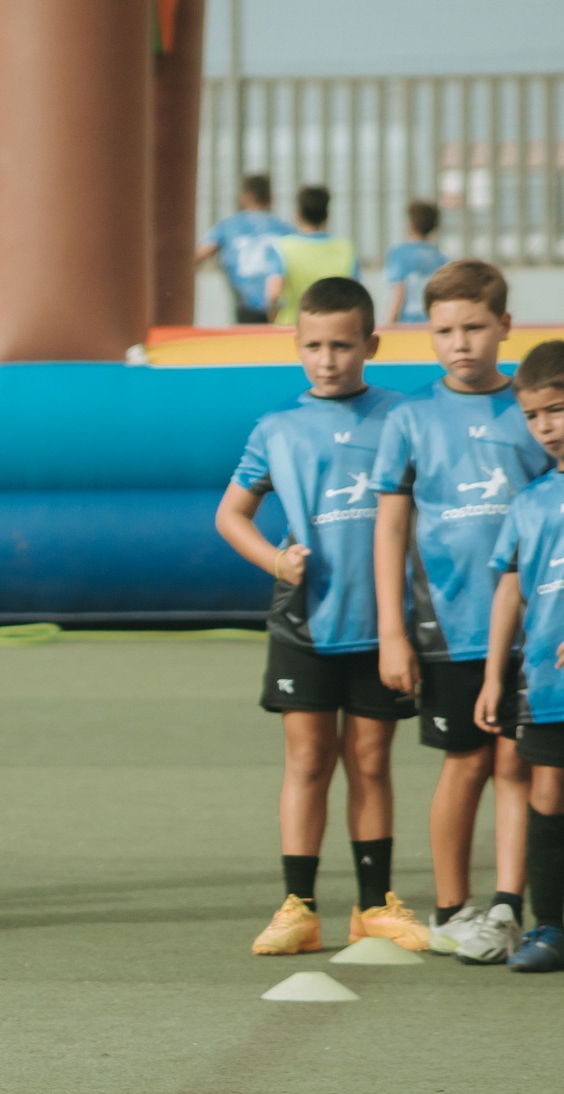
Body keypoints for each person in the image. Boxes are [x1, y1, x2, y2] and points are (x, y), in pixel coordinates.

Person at [213, 277, 414, 956]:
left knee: (371, 761)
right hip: (305, 621)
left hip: (382, 622)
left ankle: (374, 903)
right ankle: (298, 906)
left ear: (371, 344)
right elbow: (230, 516)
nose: (327, 359)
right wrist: (275, 561)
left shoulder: (401, 418)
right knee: (306, 761)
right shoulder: (277, 429)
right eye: (314, 345)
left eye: (342, 345)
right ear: (296, 345)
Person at [373, 259, 548, 960]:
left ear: (505, 326)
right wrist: (392, 631)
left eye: (475, 326)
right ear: (428, 333)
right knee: (466, 763)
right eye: (445, 330)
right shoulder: (410, 418)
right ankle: (451, 907)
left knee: (517, 764)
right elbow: (388, 530)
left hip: (531, 630)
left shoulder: (531, 412)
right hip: (445, 629)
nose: (461, 342)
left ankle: (508, 905)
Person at [477, 341, 564, 970]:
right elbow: (510, 584)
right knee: (548, 792)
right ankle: (551, 926)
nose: (546, 428)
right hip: (545, 684)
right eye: (534, 417)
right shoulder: (530, 501)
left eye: (557, 411)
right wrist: (492, 673)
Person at [197, 172, 290, 325]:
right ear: (271, 199)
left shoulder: (228, 226)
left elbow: (201, 254)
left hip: (246, 305)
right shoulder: (285, 229)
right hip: (280, 307)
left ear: (243, 198)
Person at [265, 185, 359, 325]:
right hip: (334, 328)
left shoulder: (283, 247)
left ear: (298, 214)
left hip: (292, 327)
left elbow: (274, 293)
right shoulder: (346, 248)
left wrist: (272, 316)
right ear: (327, 215)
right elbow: (356, 294)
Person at [385, 200, 447, 326]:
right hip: (431, 323)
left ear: (410, 224)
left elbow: (399, 291)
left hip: (407, 324)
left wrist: (389, 322)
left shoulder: (398, 254)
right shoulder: (440, 257)